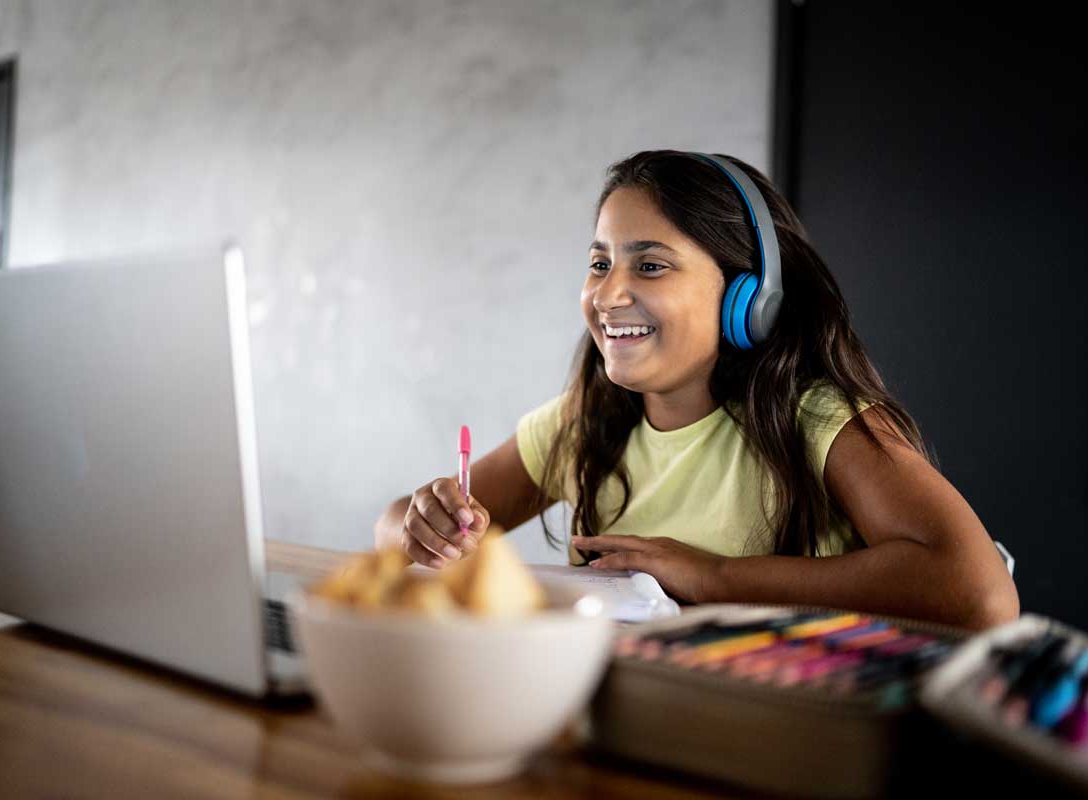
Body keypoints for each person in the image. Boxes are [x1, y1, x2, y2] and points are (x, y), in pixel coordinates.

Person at [374, 149, 1019, 630]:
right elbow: (392, 533)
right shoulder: (583, 422)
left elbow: (978, 593)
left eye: (650, 265)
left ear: (747, 299)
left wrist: (714, 577)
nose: (607, 293)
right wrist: (419, 526)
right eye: (600, 262)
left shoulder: (819, 421)